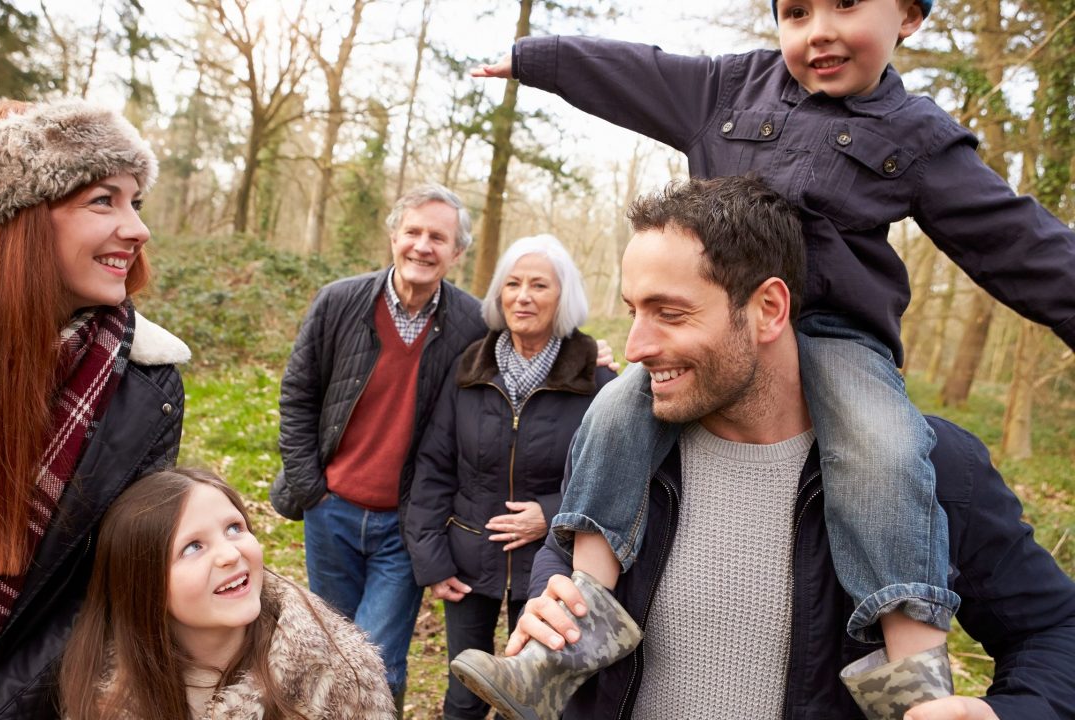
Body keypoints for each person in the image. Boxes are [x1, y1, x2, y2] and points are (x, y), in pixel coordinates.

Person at [470, 0, 1075, 709]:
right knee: (608, 414)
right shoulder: (731, 89)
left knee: (881, 450)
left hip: (842, 342)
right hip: (723, 339)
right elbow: (638, 74)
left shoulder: (916, 137)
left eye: (846, 5)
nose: (817, 29)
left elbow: (1019, 243)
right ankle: (571, 636)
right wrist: (542, 59)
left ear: (908, 16)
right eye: (794, 11)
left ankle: (915, 685)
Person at [0, 98, 189, 719]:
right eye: (104, 200)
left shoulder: (145, 387)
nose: (138, 228)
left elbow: (97, 598)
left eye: (136, 202)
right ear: (14, 220)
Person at [270, 184, 488, 713]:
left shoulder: (473, 323)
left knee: (379, 657)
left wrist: (587, 355)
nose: (422, 245)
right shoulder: (340, 301)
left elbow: (527, 355)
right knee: (330, 648)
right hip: (332, 512)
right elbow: (298, 396)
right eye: (412, 231)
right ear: (393, 236)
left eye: (438, 237)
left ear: (457, 253)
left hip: (405, 524)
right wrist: (311, 490)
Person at [404, 235, 616, 720]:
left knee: (533, 698)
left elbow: (609, 480)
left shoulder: (596, 379)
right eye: (513, 284)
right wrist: (433, 561)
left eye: (540, 285)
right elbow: (434, 467)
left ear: (563, 298)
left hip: (550, 568)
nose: (524, 296)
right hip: (469, 560)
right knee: (465, 695)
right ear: (499, 295)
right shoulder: (470, 368)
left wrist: (549, 514)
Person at [59, 467, 394, 719]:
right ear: (144, 584)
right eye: (192, 547)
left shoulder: (339, 677)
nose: (230, 554)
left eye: (234, 528)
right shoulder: (98, 689)